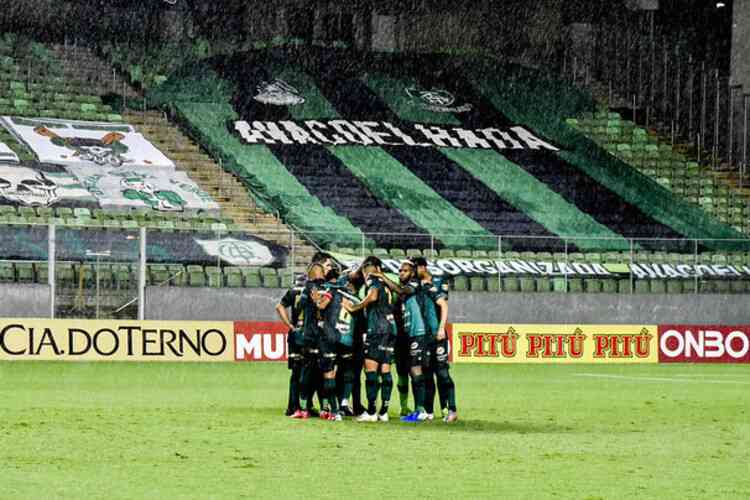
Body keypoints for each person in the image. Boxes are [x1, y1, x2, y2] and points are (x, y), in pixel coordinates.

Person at [373, 261, 429, 422]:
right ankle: (405, 408)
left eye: (404, 271)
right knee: (402, 372)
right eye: (399, 271)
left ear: (412, 273)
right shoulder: (400, 294)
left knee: (415, 370)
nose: (401, 273)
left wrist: (382, 276)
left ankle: (421, 410)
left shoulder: (414, 285)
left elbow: (401, 290)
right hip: (404, 336)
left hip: (417, 333)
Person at [347, 256, 396, 422]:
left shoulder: (374, 280)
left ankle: (372, 411)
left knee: (370, 370)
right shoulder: (386, 284)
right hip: (390, 328)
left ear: (375, 267)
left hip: (377, 329)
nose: (364, 271)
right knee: (385, 369)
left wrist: (356, 306)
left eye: (366, 267)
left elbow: (373, 296)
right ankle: (384, 411)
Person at [410, 256, 458, 423]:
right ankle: (429, 411)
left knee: (443, 373)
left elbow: (443, 304)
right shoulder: (414, 285)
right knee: (427, 374)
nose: (412, 271)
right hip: (423, 335)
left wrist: (441, 328)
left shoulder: (438, 281)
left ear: (422, 267)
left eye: (414, 267)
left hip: (438, 334)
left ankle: (451, 409)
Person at [290, 252, 334, 419]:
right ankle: (325, 409)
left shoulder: (311, 287)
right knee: (324, 373)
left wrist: (315, 300)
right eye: (327, 266)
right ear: (320, 268)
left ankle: (304, 409)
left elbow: (302, 306)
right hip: (323, 336)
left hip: (312, 336)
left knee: (307, 373)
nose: (329, 268)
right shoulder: (327, 287)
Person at [275, 273, 306, 416]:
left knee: (296, 372)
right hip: (310, 334)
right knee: (309, 372)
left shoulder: (293, 291)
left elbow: (280, 306)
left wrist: (289, 325)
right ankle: (304, 406)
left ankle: (293, 406)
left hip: (296, 333)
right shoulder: (314, 289)